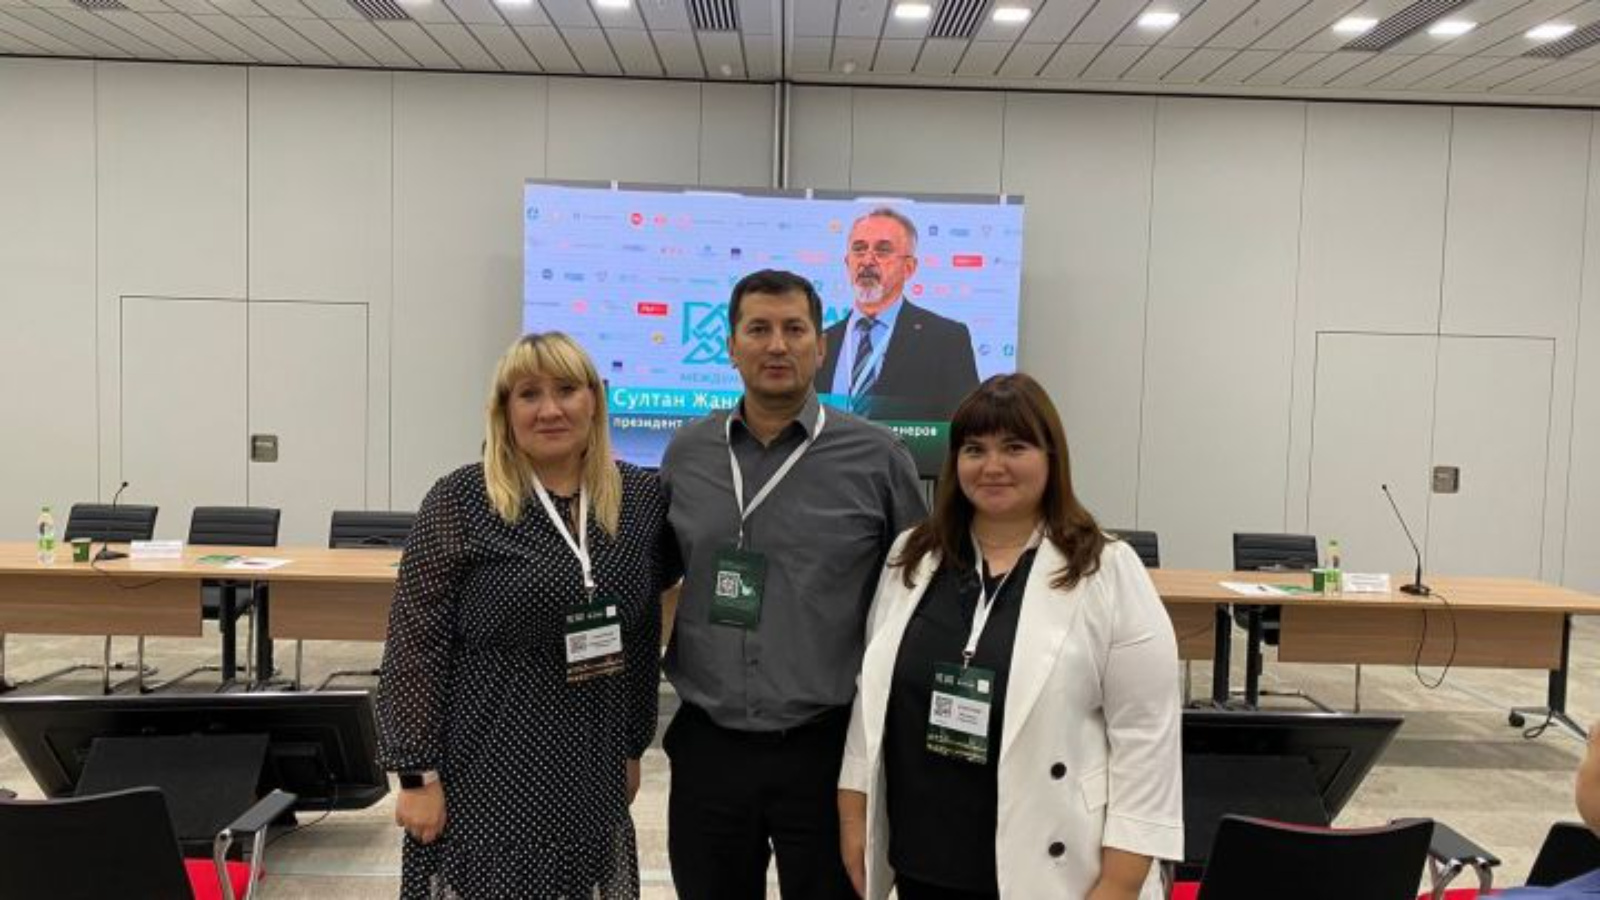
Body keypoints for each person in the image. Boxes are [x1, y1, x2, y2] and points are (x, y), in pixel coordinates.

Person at [838, 373, 1184, 900]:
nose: (992, 466)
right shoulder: (913, 556)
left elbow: (1146, 734)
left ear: (1051, 457)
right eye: (974, 449)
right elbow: (872, 693)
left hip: (1052, 867)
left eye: (1015, 447)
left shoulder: (1106, 569)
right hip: (922, 855)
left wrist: (1122, 879)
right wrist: (853, 806)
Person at [376, 332, 679, 900]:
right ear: (504, 411)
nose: (549, 409)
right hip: (487, 764)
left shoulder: (639, 500)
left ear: (594, 400)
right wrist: (416, 774)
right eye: (529, 394)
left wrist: (632, 745)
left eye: (566, 390)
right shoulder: (462, 500)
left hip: (591, 766)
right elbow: (415, 642)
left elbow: (640, 635)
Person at [660, 269, 927, 900]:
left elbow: (918, 598)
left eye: (794, 329)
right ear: (731, 346)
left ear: (821, 344)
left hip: (826, 749)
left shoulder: (879, 457)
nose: (777, 345)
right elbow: (658, 573)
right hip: (709, 747)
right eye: (758, 329)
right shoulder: (687, 454)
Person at [814, 207, 980, 421]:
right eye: (859, 249)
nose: (867, 260)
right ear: (848, 263)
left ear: (908, 268)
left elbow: (967, 426)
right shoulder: (821, 342)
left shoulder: (946, 339)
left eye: (882, 250)